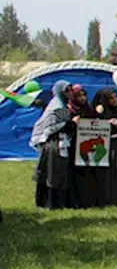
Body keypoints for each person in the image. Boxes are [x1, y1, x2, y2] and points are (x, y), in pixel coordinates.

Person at [29, 80, 75, 210]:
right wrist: (69, 124)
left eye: (71, 89)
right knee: (52, 173)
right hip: (53, 144)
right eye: (67, 90)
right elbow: (50, 128)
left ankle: (56, 202)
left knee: (58, 172)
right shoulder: (57, 107)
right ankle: (50, 203)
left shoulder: (63, 105)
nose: (71, 93)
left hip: (61, 142)